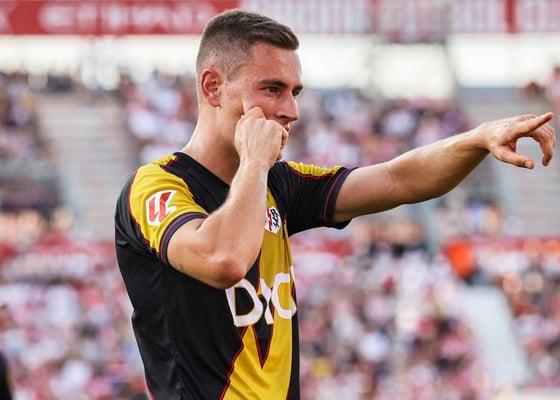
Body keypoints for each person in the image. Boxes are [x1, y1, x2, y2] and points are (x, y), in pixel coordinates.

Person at [114, 9, 556, 400]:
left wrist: (476, 140)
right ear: (213, 87)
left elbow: (398, 179)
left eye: (295, 92)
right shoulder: (155, 186)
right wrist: (255, 162)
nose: (291, 110)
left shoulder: (279, 183)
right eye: (272, 89)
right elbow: (223, 259)